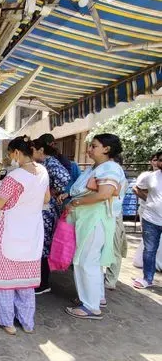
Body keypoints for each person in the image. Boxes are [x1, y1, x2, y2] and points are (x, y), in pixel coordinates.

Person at [0, 136, 50, 335]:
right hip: (32, 231)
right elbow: (46, 198)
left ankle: (7, 322)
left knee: (4, 279)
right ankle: (27, 322)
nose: (10, 158)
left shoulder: (15, 177)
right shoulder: (43, 172)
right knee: (26, 280)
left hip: (9, 231)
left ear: (17, 153)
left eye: (10, 154)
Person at [60, 133, 125, 320]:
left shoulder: (110, 168)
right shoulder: (97, 168)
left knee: (86, 261)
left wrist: (76, 203)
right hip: (87, 220)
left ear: (107, 149)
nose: (89, 149)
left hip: (95, 220)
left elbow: (104, 194)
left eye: (94, 146)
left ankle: (90, 306)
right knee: (91, 262)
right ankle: (95, 298)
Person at [32, 138, 71, 295]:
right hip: (43, 208)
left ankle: (43, 283)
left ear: (41, 150)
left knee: (44, 243)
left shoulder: (50, 163)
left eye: (33, 150)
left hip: (47, 209)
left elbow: (64, 178)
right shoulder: (42, 164)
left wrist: (54, 191)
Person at [133, 151, 162, 289]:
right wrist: (148, 200)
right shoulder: (151, 177)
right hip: (151, 219)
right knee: (149, 250)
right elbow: (137, 188)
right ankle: (147, 278)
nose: (159, 163)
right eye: (159, 160)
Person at [104, 154, 129, 291]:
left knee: (114, 249)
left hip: (114, 215)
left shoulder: (118, 177)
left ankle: (111, 280)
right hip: (107, 214)